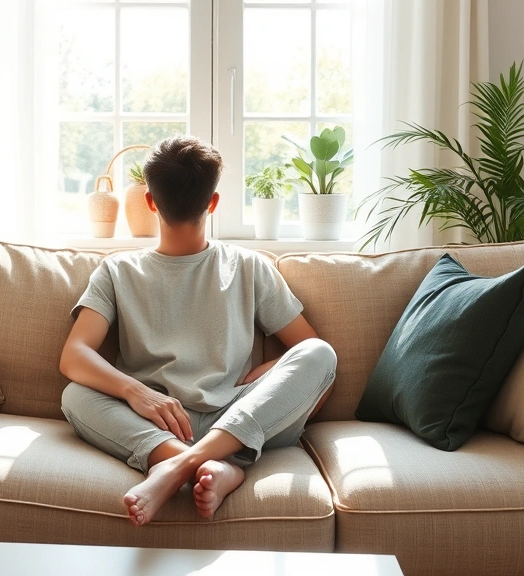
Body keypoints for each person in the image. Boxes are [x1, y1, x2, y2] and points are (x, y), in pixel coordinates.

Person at [59, 135, 337, 528]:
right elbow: (74, 360)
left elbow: (309, 351)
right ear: (213, 202)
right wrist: (135, 393)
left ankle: (178, 466)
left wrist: (265, 374)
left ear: (150, 201)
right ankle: (222, 467)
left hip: (239, 417)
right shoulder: (117, 272)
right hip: (157, 421)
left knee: (321, 355)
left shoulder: (247, 266)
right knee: (76, 394)